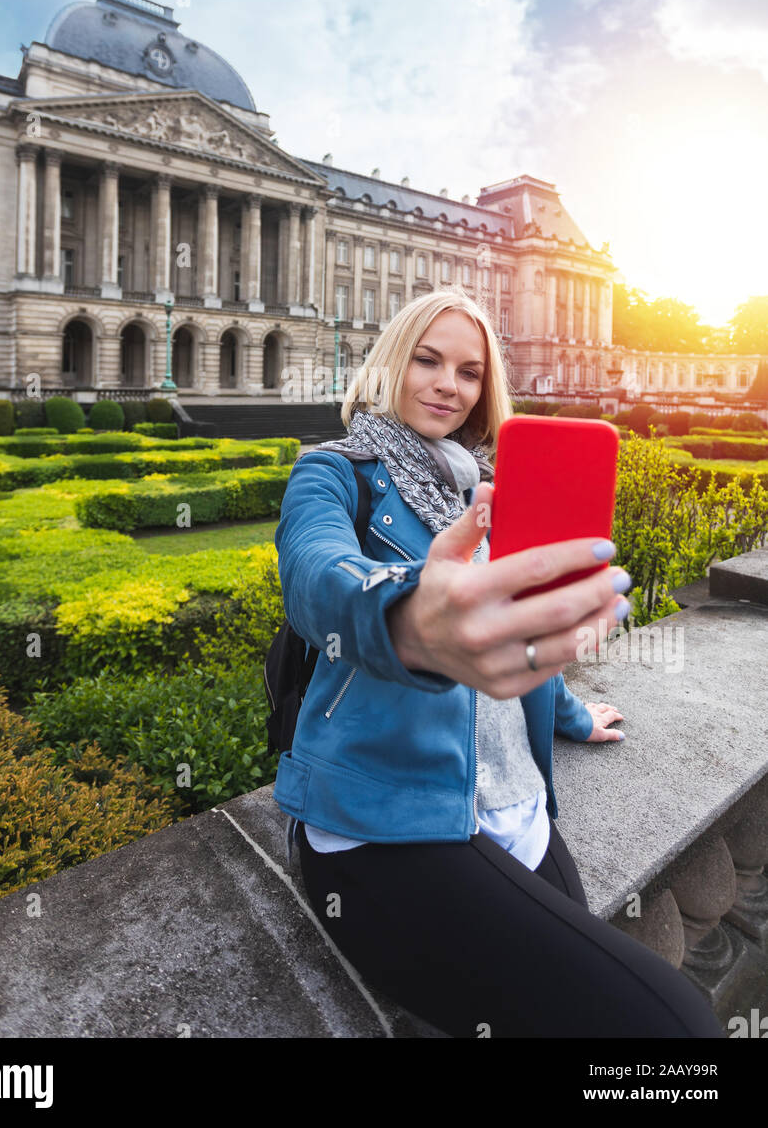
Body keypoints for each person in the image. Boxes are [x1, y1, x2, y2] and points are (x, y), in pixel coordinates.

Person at [272, 287, 724, 1039]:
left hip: (513, 798)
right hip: (383, 821)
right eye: (428, 360)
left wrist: (574, 712)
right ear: (391, 361)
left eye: (470, 371)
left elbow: (509, 635)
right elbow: (315, 577)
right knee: (680, 1028)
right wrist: (407, 616)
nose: (449, 384)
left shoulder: (483, 484)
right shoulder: (333, 471)